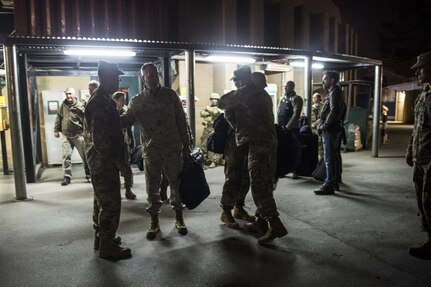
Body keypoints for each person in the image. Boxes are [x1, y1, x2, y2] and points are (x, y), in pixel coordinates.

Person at [218, 65, 287, 244]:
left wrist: (237, 128)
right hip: (261, 143)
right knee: (251, 179)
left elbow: (222, 103)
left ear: (242, 80)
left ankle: (274, 223)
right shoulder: (261, 94)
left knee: (258, 183)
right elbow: (231, 115)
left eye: (237, 81)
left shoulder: (246, 93)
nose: (236, 84)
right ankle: (261, 222)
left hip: (257, 145)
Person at [121, 63, 191, 240]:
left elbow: (181, 120)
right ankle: (154, 221)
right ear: (142, 78)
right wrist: (110, 116)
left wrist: (187, 144)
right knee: (152, 187)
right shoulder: (137, 101)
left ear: (158, 75)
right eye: (147, 76)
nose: (151, 78)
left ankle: (179, 218)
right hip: (152, 151)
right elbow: (126, 120)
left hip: (173, 148)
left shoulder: (170, 95)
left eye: (154, 75)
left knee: (177, 184)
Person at [83, 60, 131, 260]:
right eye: (116, 77)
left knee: (101, 201)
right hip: (104, 161)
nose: (118, 80)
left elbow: (109, 128)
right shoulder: (100, 102)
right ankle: (107, 246)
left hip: (100, 160)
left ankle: (102, 238)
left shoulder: (103, 99)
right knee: (111, 203)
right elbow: (101, 139)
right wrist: (119, 163)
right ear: (106, 77)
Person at [406, 50, 431, 260]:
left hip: (430, 160)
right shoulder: (423, 96)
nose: (417, 74)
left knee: (429, 201)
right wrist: (410, 151)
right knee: (422, 202)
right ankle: (430, 239)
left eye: (421, 69)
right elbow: (417, 127)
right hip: (420, 158)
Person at [314, 70, 345, 195]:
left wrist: (324, 126)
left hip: (331, 130)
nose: (323, 81)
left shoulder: (334, 93)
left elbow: (333, 112)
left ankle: (328, 185)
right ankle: (335, 181)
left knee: (329, 158)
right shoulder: (335, 92)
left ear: (332, 80)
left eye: (325, 79)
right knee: (334, 156)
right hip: (334, 129)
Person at [54, 87, 90, 186]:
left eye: (70, 94)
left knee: (85, 155)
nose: (68, 96)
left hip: (78, 135)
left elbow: (85, 119)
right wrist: (56, 130)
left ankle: (88, 173)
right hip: (66, 135)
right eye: (67, 94)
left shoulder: (80, 105)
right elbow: (58, 117)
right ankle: (67, 176)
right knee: (66, 156)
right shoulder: (63, 105)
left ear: (74, 94)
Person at [112, 91, 137, 200]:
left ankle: (128, 189)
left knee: (126, 167)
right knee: (113, 169)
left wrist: (132, 143)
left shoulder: (126, 111)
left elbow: (129, 129)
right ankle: (115, 192)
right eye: (122, 100)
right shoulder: (111, 112)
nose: (124, 102)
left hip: (124, 143)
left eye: (124, 100)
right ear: (115, 101)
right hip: (113, 144)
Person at [277, 81, 303, 179]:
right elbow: (279, 111)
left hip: (292, 129)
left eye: (287, 86)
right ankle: (283, 170)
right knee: (282, 149)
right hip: (281, 127)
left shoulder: (296, 99)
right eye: (285, 86)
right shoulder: (282, 98)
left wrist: (288, 127)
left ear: (292, 87)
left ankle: (296, 170)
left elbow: (296, 114)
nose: (285, 88)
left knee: (294, 149)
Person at [200, 93, 223, 169]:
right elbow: (202, 113)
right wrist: (209, 111)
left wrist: (208, 109)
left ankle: (214, 161)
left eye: (215, 99)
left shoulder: (220, 108)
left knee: (215, 145)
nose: (214, 101)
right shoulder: (209, 107)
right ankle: (206, 160)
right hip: (207, 128)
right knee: (204, 144)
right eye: (212, 99)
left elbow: (216, 112)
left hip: (215, 129)